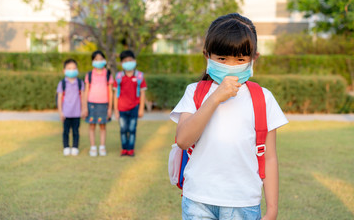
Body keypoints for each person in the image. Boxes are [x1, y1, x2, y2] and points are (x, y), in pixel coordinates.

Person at [170, 13, 288, 220]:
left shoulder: (263, 98)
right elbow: (183, 140)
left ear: (253, 59)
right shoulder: (194, 92)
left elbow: (269, 158)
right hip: (198, 200)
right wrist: (215, 98)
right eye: (222, 59)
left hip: (243, 204)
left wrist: (272, 209)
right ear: (207, 56)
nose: (231, 66)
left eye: (240, 59)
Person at [113, 50, 147, 157]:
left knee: (132, 129)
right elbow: (115, 95)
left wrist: (141, 109)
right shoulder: (119, 77)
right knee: (123, 129)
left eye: (130, 60)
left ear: (135, 61)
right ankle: (124, 149)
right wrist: (115, 110)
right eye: (125, 61)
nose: (128, 63)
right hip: (121, 108)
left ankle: (131, 149)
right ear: (122, 63)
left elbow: (142, 93)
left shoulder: (139, 76)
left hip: (134, 108)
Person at [83, 50, 114, 157]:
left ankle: (102, 146)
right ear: (92, 61)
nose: (98, 61)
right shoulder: (90, 75)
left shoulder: (108, 74)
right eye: (96, 59)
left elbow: (110, 91)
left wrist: (110, 108)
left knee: (102, 126)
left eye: (101, 59)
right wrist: (84, 107)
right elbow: (86, 91)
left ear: (104, 60)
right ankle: (93, 147)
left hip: (104, 104)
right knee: (91, 126)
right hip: (91, 104)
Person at [56, 59, 85, 156]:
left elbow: (83, 97)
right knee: (66, 131)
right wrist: (60, 112)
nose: (72, 70)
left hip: (77, 113)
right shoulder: (62, 83)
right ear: (64, 70)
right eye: (69, 68)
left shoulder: (80, 83)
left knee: (76, 131)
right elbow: (59, 98)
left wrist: (84, 109)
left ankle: (75, 147)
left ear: (77, 70)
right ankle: (66, 147)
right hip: (66, 113)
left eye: (74, 68)